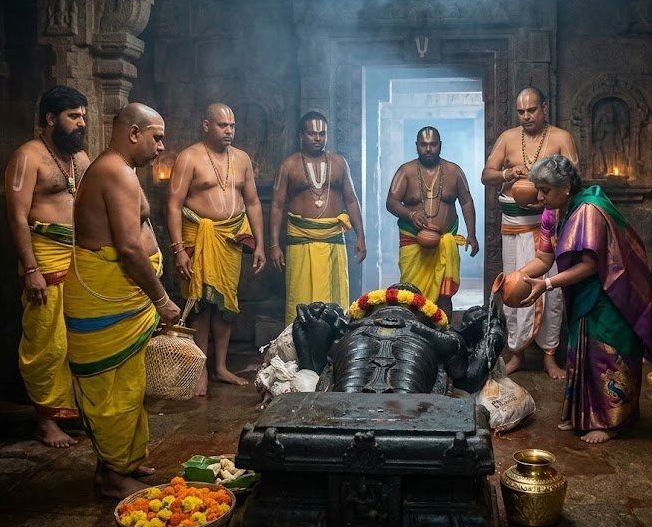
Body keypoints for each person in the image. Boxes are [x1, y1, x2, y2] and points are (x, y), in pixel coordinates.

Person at [64, 103, 181, 498]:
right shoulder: (115, 171)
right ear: (133, 133)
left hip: (120, 296)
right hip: (107, 297)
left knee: (127, 384)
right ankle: (115, 478)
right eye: (157, 137)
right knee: (114, 389)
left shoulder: (120, 168)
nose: (161, 147)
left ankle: (117, 464)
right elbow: (130, 249)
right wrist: (162, 299)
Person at [513, 155, 652, 443]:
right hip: (582, 293)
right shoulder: (552, 212)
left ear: (566, 187)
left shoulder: (589, 210)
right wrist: (518, 276)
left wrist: (546, 284)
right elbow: (544, 258)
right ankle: (582, 414)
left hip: (609, 294)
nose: (539, 197)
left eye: (545, 190)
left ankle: (610, 422)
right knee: (581, 351)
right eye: (538, 189)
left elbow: (590, 265)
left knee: (605, 354)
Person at [4, 85, 91, 448]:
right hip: (45, 258)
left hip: (79, 259)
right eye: (74, 116)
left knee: (77, 339)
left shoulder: (80, 158)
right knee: (46, 342)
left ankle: (70, 411)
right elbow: (17, 217)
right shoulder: (28, 156)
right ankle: (45, 421)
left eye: (83, 116)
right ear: (51, 118)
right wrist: (30, 270)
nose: (81, 123)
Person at [167, 103, 265, 393]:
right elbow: (173, 205)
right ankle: (200, 370)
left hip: (230, 237)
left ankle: (220, 367)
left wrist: (260, 243)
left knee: (225, 304)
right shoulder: (189, 157)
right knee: (200, 304)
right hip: (198, 235)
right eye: (223, 125)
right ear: (206, 126)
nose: (229, 131)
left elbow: (253, 203)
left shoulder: (242, 159)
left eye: (232, 125)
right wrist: (178, 250)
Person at [481, 87, 578, 379]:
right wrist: (508, 174)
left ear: (544, 107)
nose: (526, 116)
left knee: (552, 293)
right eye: (521, 111)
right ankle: (517, 353)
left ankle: (549, 356)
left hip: (548, 222)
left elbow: (574, 178)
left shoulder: (561, 137)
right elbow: (486, 175)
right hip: (513, 224)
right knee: (514, 284)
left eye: (531, 110)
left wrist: (545, 187)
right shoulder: (508, 138)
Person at [269, 111, 366, 325]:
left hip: (333, 237)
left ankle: (334, 338)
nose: (318, 138)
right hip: (300, 237)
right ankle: (299, 338)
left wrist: (361, 236)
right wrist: (274, 244)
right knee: (300, 295)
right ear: (301, 135)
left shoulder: (339, 163)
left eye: (322, 134)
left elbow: (351, 200)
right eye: (312, 133)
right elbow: (276, 205)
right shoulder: (289, 165)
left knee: (334, 298)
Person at [386, 126, 478, 319]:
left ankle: (444, 332)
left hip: (444, 242)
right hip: (413, 242)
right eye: (423, 145)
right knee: (410, 293)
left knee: (444, 295)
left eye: (433, 144)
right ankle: (411, 332)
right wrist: (411, 214)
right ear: (416, 146)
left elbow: (466, 202)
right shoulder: (405, 171)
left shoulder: (454, 171)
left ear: (440, 145)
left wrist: (471, 234)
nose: (428, 149)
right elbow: (391, 202)